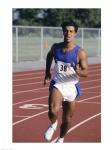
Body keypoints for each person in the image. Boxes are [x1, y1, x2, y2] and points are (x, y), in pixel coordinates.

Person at [44, 20, 88, 143]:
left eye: (71, 31)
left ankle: (61, 138)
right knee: (53, 110)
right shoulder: (56, 47)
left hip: (71, 87)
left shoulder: (80, 52)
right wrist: (47, 71)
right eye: (66, 31)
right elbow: (49, 55)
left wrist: (78, 71)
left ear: (75, 33)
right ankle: (53, 123)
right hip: (58, 83)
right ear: (63, 32)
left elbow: (86, 73)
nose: (68, 33)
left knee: (67, 119)